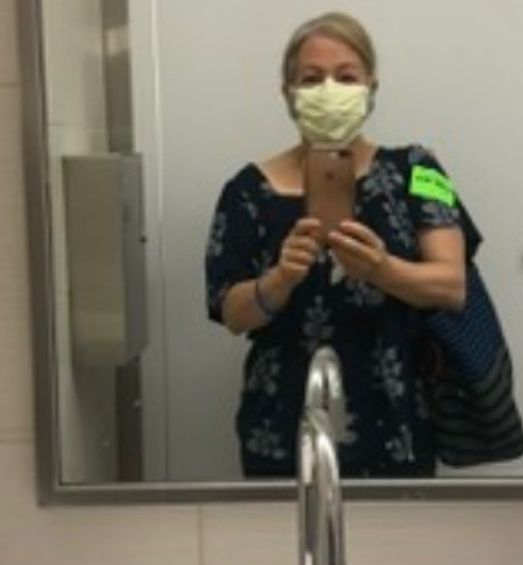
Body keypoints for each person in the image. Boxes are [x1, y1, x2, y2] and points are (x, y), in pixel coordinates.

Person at [204, 11, 483, 478]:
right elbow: (230, 313)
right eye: (311, 79)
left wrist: (380, 269)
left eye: (346, 76)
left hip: (399, 420)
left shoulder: (420, 169)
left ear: (371, 86)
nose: (329, 90)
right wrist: (280, 280)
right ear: (287, 93)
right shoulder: (247, 190)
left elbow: (451, 285)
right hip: (282, 423)